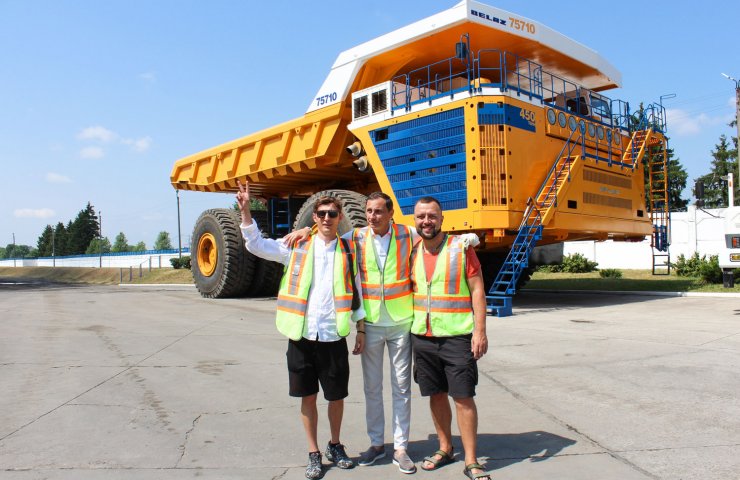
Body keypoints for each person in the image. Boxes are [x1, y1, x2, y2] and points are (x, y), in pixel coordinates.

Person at [286, 192, 479, 475]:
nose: (372, 216)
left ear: (390, 213)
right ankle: (377, 444)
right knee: (372, 388)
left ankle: (400, 448)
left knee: (401, 388)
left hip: (402, 321)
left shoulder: (407, 233)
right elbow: (327, 235)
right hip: (372, 323)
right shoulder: (355, 237)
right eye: (369, 211)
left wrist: (467, 238)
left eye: (378, 211)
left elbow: (435, 232)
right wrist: (307, 228)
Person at [236, 180, 366, 480]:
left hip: (333, 335)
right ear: (314, 217)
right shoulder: (295, 246)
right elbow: (256, 245)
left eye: (332, 213)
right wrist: (245, 212)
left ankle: (335, 445)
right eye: (321, 214)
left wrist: (360, 329)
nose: (326, 218)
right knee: (307, 397)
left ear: (340, 216)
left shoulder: (349, 251)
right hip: (301, 336)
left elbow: (356, 291)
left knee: (336, 397)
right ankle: (313, 452)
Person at [409, 196, 491, 480]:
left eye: (432, 216)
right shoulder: (414, 250)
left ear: (442, 219)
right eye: (421, 216)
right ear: (415, 220)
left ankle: (471, 459)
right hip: (423, 335)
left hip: (457, 335)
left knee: (463, 397)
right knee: (435, 394)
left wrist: (480, 330)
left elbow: (477, 289)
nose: (426, 221)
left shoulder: (461, 247)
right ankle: (445, 448)